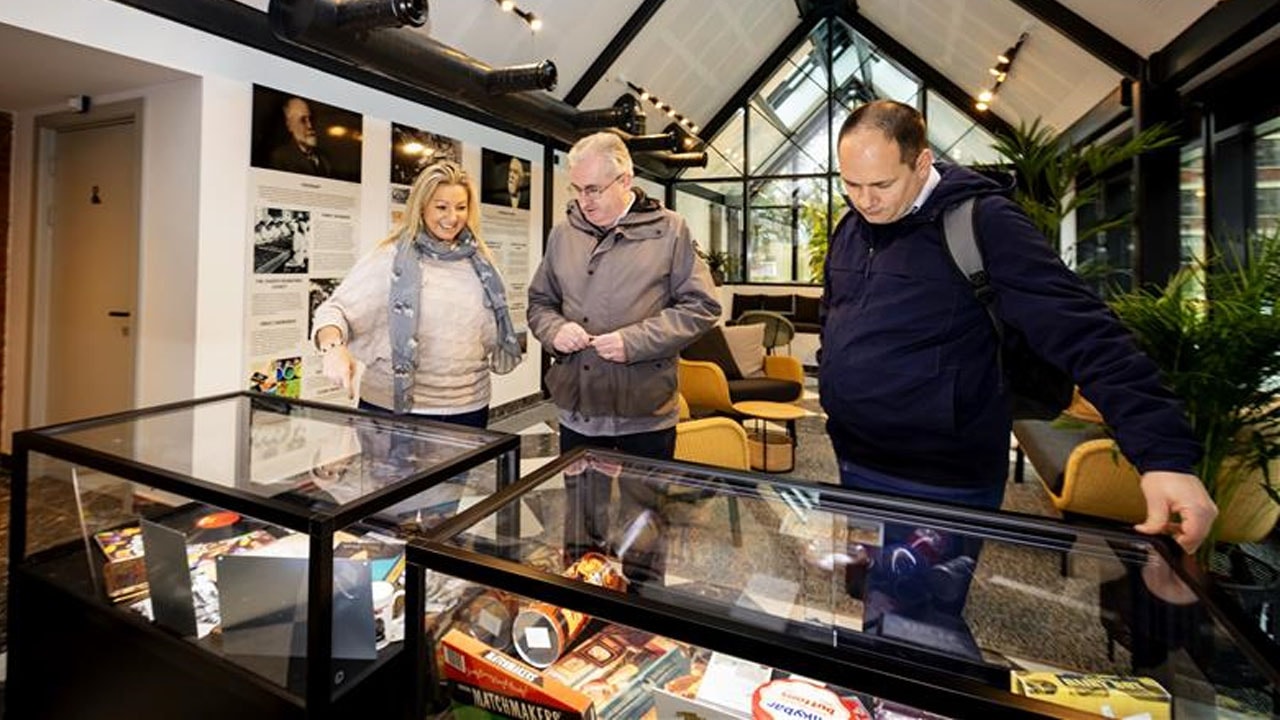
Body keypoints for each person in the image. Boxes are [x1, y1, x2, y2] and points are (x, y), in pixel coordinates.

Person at [821, 100, 1217, 554]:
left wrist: (1164, 455)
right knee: (872, 598)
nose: (865, 200)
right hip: (855, 458)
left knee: (916, 614)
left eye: (882, 184)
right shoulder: (851, 228)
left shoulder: (984, 222)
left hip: (939, 475)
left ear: (922, 161)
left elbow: (1083, 329)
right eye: (851, 184)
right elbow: (838, 317)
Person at [527, 131, 720, 581]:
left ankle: (638, 623)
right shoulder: (563, 234)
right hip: (580, 410)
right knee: (580, 533)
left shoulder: (671, 230)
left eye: (593, 189)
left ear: (626, 179)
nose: (584, 200)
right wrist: (557, 331)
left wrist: (634, 341)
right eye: (577, 189)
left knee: (643, 532)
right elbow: (539, 304)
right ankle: (577, 615)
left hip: (645, 412)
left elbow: (703, 307)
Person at [313, 160, 522, 427]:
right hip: (393, 411)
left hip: (469, 408)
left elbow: (489, 334)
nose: (452, 217)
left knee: (462, 472)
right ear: (422, 207)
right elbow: (333, 311)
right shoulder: (389, 260)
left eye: (461, 207)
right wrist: (333, 349)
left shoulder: (482, 265)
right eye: (441, 207)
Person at [270, 96, 333, 177]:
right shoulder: (280, 158)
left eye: (311, 119)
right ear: (289, 125)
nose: (310, 126)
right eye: (302, 120)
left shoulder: (324, 160)